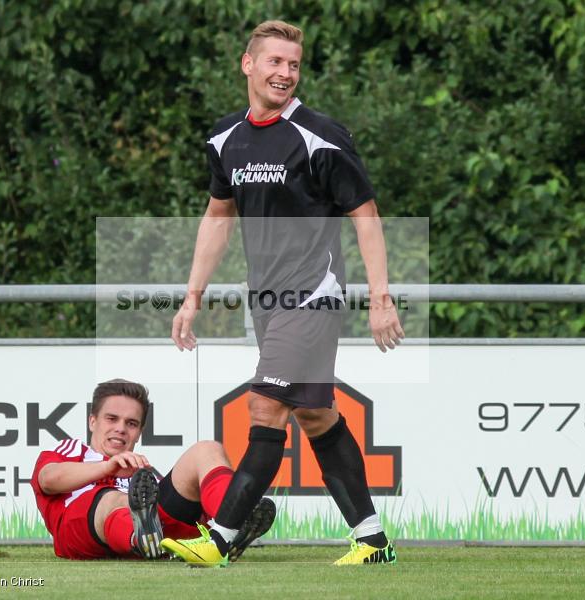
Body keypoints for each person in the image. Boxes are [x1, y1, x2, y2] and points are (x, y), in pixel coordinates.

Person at [165, 20, 403, 567]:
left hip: (313, 294)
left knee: (264, 405)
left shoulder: (322, 135)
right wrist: (192, 296)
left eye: (293, 65)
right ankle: (372, 541)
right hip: (267, 302)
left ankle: (219, 540)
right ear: (248, 65)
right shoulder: (226, 139)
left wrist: (380, 297)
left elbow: (365, 216)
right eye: (274, 62)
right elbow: (218, 218)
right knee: (315, 416)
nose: (285, 73)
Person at [31, 378, 275, 560]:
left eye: (131, 423)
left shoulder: (145, 473)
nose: (120, 428)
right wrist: (107, 467)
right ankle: (141, 535)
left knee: (206, 449)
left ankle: (231, 523)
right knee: (114, 499)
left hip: (158, 534)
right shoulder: (73, 450)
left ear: (139, 432)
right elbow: (48, 480)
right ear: (92, 421)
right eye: (111, 418)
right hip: (81, 534)